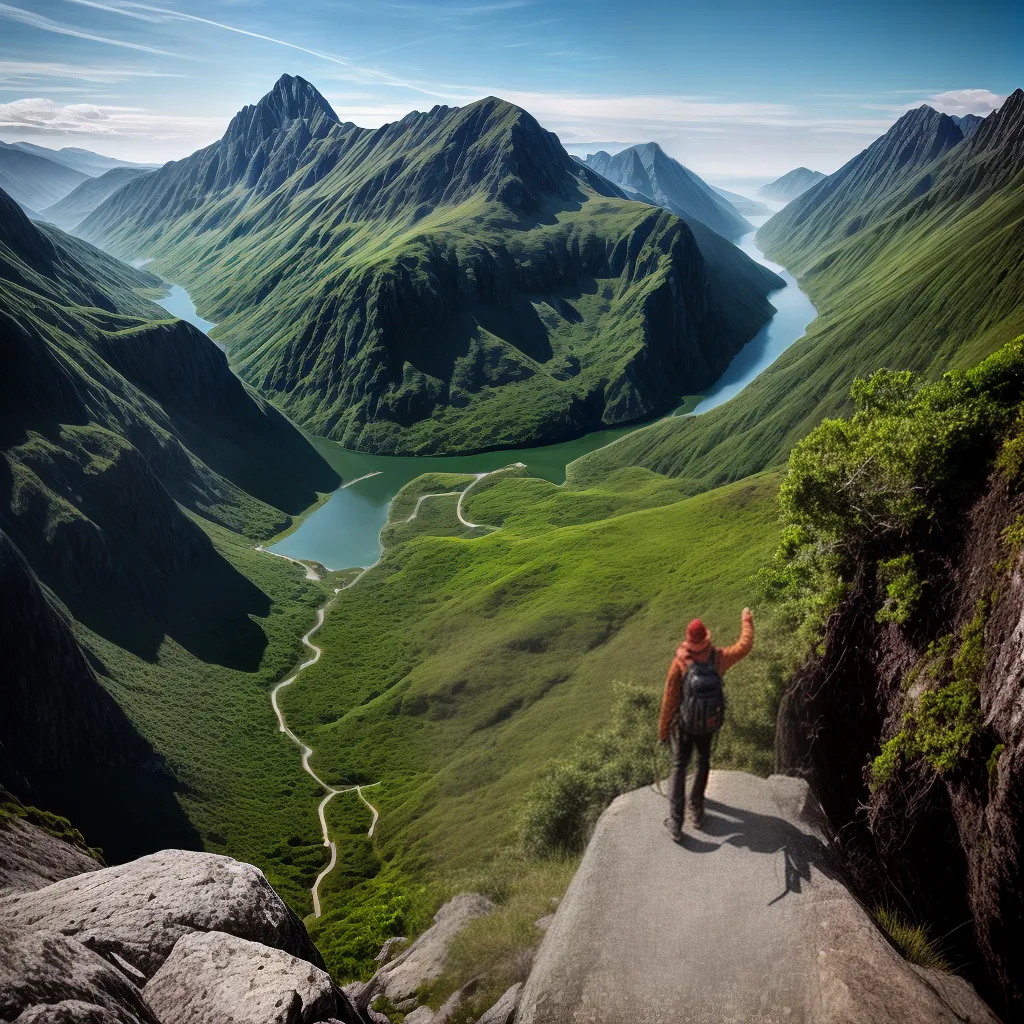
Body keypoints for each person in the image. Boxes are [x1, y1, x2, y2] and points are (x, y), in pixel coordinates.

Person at [658, 608, 754, 840]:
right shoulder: (717, 658)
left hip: (685, 724)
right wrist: (746, 620)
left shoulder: (680, 663)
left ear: (689, 639)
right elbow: (745, 645)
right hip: (708, 723)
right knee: (703, 761)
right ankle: (697, 812)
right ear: (706, 638)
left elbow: (670, 699)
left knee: (679, 765)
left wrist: (663, 731)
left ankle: (676, 823)